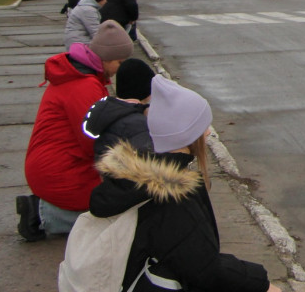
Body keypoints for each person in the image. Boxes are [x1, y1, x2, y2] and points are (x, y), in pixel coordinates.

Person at [88, 76, 281, 292]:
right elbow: (204, 268)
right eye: (202, 126)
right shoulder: (172, 192)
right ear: (186, 134)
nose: (208, 132)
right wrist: (261, 283)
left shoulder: (137, 174)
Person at [17, 22, 134, 241]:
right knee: (115, 215)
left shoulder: (79, 77)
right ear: (107, 58)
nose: (121, 67)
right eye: (120, 61)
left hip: (53, 167)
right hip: (62, 172)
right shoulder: (85, 85)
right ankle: (42, 215)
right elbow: (94, 142)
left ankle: (44, 210)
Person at [82, 57, 155, 158]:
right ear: (146, 90)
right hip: (128, 172)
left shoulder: (108, 110)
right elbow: (148, 157)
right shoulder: (138, 124)